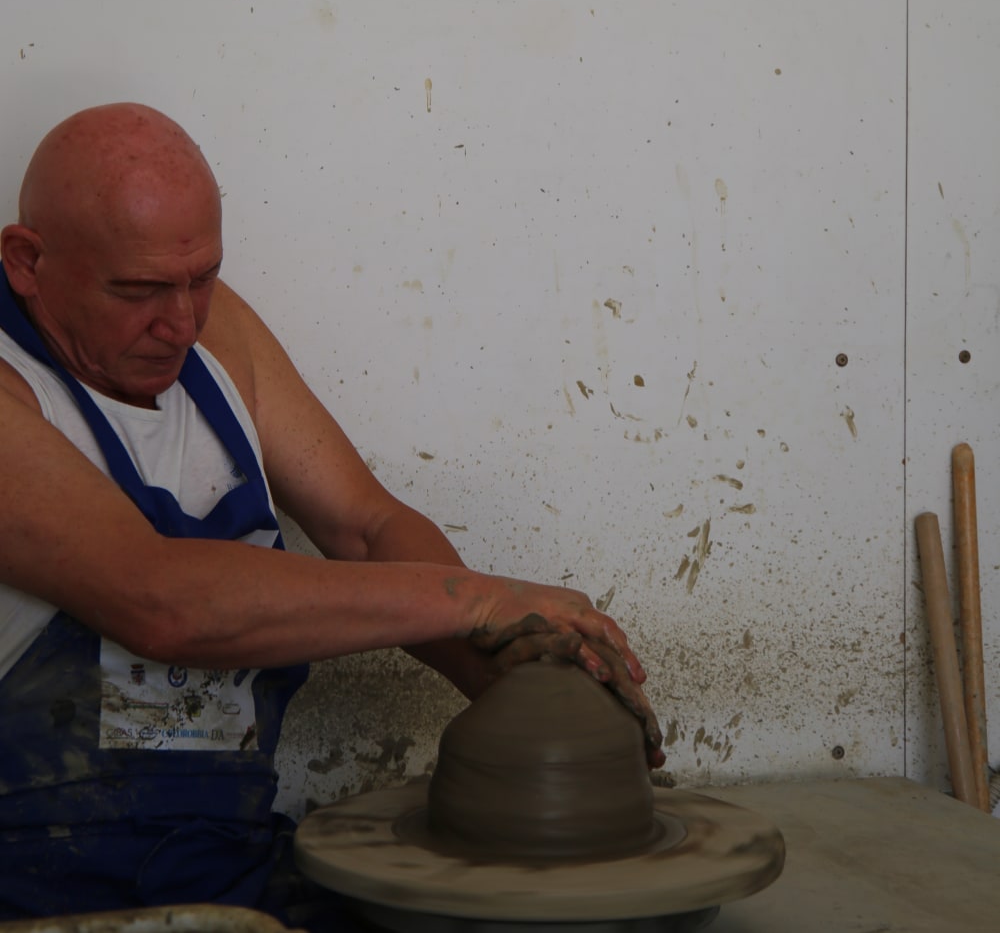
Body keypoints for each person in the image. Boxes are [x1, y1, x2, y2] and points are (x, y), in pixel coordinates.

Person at [0, 103, 662, 921]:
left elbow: (366, 527)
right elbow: (159, 601)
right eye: (137, 291)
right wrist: (479, 599)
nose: (179, 323)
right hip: (38, 890)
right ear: (27, 263)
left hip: (225, 861)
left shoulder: (216, 334)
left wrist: (508, 671)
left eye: (201, 278)